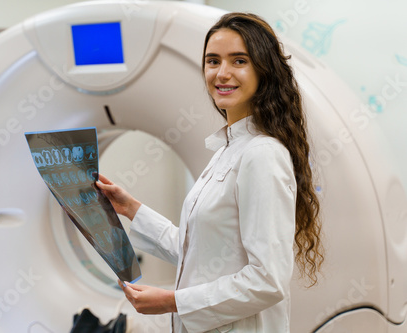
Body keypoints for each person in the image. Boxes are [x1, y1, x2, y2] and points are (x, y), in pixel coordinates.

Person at [96, 12, 324, 333]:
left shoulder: (261, 154)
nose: (222, 73)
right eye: (213, 61)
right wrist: (130, 208)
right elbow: (198, 252)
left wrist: (173, 301)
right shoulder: (226, 151)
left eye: (239, 61)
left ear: (264, 70)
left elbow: (268, 280)